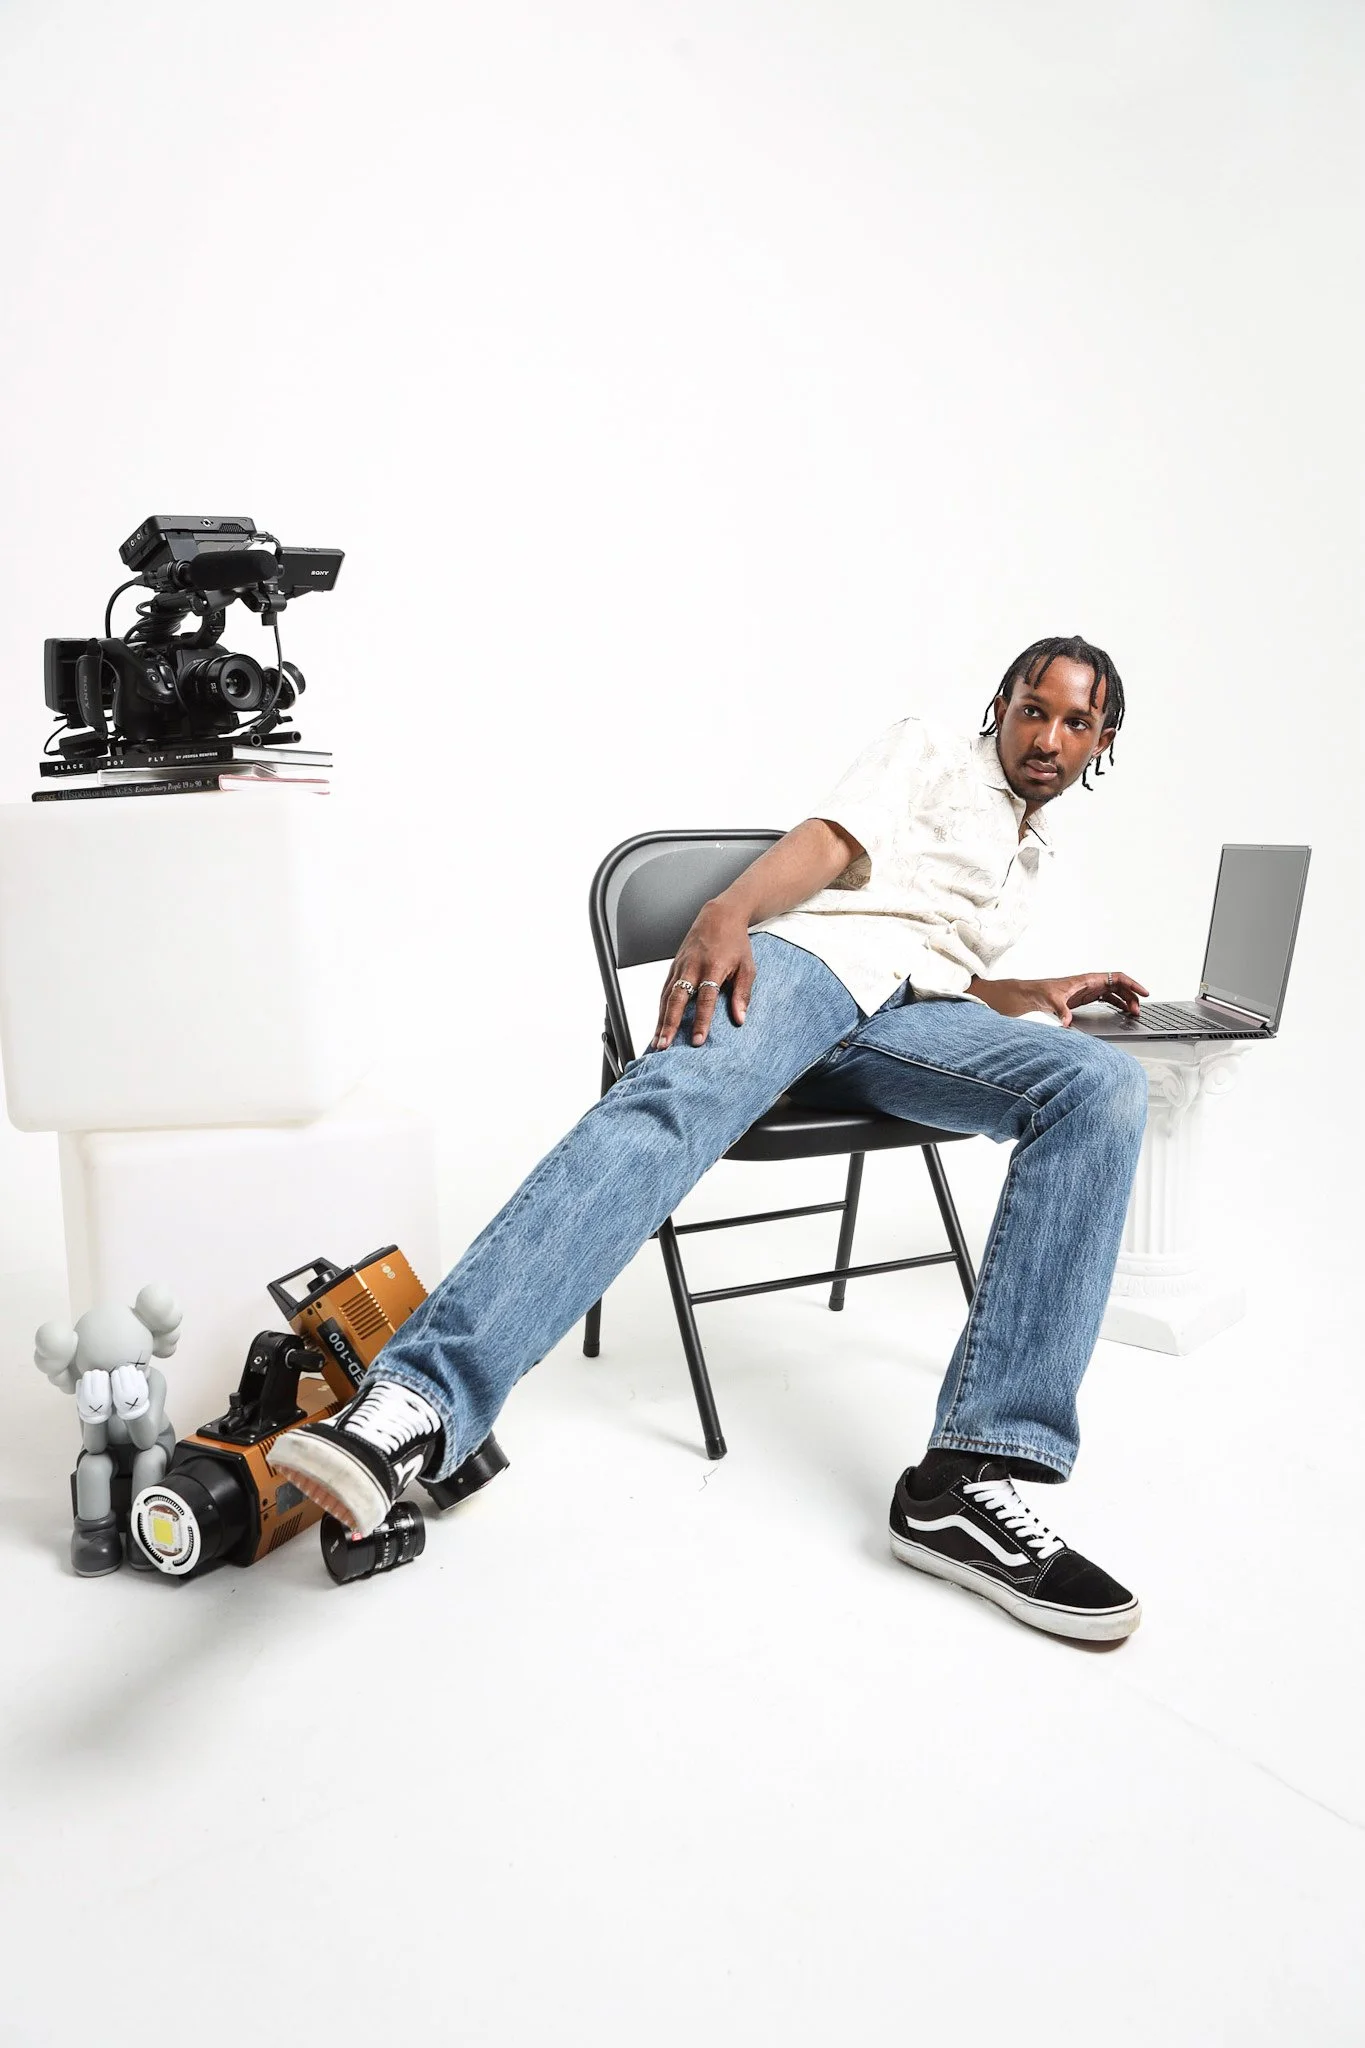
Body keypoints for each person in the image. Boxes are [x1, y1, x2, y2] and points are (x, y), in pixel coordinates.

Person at [270, 634, 1151, 1642]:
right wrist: (726, 911)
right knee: (668, 1105)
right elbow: (827, 844)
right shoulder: (929, 752)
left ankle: (966, 1478)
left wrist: (1025, 991)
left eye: (1075, 722)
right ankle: (413, 1404)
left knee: (1102, 1085)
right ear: (1001, 705)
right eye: (1033, 709)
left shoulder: (1032, 853)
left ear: (1100, 741)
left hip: (907, 1017)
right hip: (810, 969)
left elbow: (933, 961)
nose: (1047, 737)